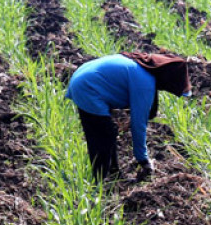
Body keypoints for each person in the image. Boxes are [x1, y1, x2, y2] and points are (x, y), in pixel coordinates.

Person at [64, 52, 191, 183]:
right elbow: (138, 124)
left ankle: (113, 176)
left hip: (82, 79)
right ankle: (98, 183)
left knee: (107, 133)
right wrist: (143, 159)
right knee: (103, 137)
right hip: (87, 88)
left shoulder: (141, 66)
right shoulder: (144, 82)